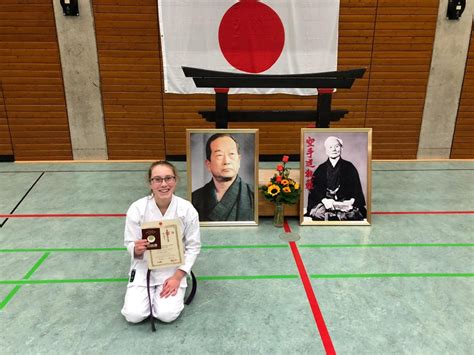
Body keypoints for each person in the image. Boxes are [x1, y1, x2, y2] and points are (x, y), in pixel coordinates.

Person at [121, 161, 201, 327]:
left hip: (172, 268)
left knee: (167, 315)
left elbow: (193, 246)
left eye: (168, 178)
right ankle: (145, 293)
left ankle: (166, 293)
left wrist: (178, 276)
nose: (163, 184)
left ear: (175, 180)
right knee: (133, 315)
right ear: (150, 183)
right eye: (157, 179)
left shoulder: (187, 209)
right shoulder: (137, 208)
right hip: (144, 266)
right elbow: (129, 242)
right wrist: (136, 248)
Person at [192, 133, 254, 221]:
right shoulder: (195, 199)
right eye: (219, 155)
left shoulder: (253, 195)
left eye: (231, 154)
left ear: (239, 160)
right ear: (208, 164)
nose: (227, 161)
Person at [306, 136, 367, 221]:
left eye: (337, 146)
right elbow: (314, 188)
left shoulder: (349, 167)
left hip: (344, 202)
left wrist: (351, 201)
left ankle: (335, 215)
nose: (333, 149)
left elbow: (356, 188)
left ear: (341, 148)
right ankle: (334, 215)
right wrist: (324, 200)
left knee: (352, 214)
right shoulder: (321, 168)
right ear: (326, 151)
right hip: (326, 203)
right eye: (330, 147)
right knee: (318, 213)